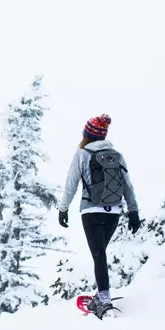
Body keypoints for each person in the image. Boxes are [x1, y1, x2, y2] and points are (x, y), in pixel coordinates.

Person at [57, 113, 141, 319]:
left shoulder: (82, 153)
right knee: (100, 253)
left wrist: (63, 209)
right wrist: (133, 211)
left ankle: (104, 299)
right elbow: (127, 185)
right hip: (114, 211)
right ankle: (101, 293)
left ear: (87, 134)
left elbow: (71, 183)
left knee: (98, 255)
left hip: (90, 211)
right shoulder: (117, 155)